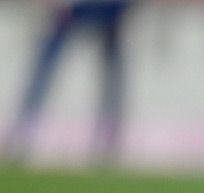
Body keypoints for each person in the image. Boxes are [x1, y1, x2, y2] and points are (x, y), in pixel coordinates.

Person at [2, 1, 135, 162]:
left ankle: (109, 139)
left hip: (109, 9)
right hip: (69, 9)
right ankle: (22, 133)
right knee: (43, 74)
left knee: (112, 77)